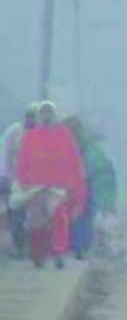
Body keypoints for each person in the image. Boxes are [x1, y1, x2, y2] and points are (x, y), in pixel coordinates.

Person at [15, 102, 87, 269]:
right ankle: (38, 255)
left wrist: (76, 184)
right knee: (36, 223)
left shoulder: (64, 135)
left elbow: (74, 161)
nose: (46, 117)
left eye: (49, 113)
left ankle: (58, 251)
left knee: (59, 219)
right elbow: (22, 161)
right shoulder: (30, 136)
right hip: (35, 186)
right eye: (43, 113)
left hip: (59, 187)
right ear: (40, 116)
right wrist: (23, 181)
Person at [65, 116, 118, 259]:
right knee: (84, 215)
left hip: (92, 182)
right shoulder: (86, 147)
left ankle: (83, 246)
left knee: (87, 215)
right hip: (89, 183)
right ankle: (82, 246)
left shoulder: (88, 150)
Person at [2, 107, 37, 257]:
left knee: (28, 215)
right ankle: (18, 247)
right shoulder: (14, 131)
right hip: (13, 180)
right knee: (16, 214)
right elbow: (6, 154)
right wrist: (8, 177)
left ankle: (25, 247)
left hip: (31, 180)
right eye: (31, 117)